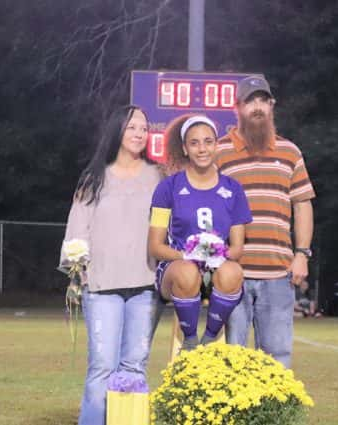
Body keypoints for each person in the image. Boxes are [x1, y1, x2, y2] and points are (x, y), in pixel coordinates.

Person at [61, 105, 163, 425]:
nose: (138, 133)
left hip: (145, 286)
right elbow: (78, 229)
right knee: (102, 367)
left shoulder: (158, 176)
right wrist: (78, 274)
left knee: (134, 367)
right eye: (132, 127)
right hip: (102, 286)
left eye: (144, 129)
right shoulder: (94, 177)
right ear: (117, 130)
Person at [215, 75, 315, 368]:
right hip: (233, 272)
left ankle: (273, 415)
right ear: (238, 108)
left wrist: (302, 254)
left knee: (277, 357)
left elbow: (303, 205)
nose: (256, 107)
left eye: (262, 100)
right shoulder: (219, 151)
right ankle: (233, 414)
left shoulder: (290, 152)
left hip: (278, 273)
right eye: (250, 101)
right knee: (230, 358)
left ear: (271, 105)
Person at [148, 114, 252, 350]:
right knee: (187, 272)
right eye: (194, 143)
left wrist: (216, 254)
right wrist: (188, 256)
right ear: (185, 148)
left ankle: (210, 338)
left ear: (216, 145)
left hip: (217, 266)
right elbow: (155, 246)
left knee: (233, 272)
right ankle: (190, 340)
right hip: (177, 267)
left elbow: (237, 248)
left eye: (208, 141)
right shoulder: (167, 187)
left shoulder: (233, 189)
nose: (202, 148)